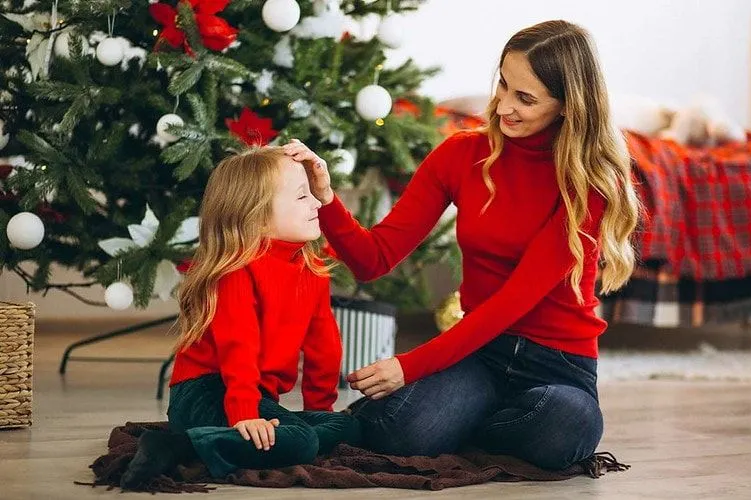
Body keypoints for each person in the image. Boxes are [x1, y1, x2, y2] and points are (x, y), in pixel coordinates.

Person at [287, 20, 639, 470]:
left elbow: (514, 301)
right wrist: (326, 198)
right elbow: (372, 259)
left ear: (569, 106)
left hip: (559, 368)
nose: (504, 106)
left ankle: (465, 427)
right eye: (504, 86)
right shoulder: (461, 154)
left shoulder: (591, 182)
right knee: (398, 431)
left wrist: (410, 366)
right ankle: (470, 425)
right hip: (480, 356)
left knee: (564, 427)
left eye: (525, 98)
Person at [120, 147, 360, 489]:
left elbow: (325, 348)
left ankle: (267, 438)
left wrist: (318, 410)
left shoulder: (312, 270)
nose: (316, 203)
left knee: (347, 427)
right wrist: (245, 414)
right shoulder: (237, 271)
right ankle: (178, 446)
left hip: (253, 393)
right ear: (258, 218)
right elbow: (239, 346)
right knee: (303, 442)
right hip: (206, 391)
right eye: (302, 196)